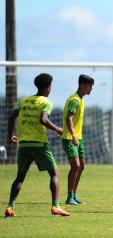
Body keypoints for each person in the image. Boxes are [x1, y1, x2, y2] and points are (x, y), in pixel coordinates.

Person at [5, 73, 70, 217]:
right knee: (54, 173)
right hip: (39, 144)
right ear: (49, 87)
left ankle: (10, 206)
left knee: (20, 177)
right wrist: (58, 129)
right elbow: (43, 120)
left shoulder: (24, 101)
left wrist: (9, 135)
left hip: (23, 145)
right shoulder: (46, 102)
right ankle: (56, 206)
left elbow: (11, 116)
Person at [62, 74, 94, 205]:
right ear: (83, 85)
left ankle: (73, 195)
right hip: (70, 138)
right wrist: (74, 135)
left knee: (81, 167)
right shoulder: (75, 100)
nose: (91, 89)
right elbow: (68, 118)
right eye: (90, 86)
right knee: (76, 165)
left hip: (78, 138)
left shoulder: (80, 99)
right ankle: (69, 197)